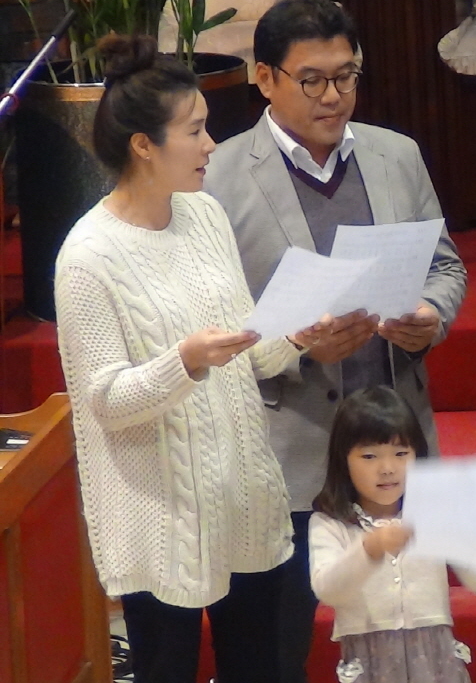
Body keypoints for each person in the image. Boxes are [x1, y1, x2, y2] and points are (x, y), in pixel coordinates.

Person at [203, 0, 467, 683]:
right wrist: (295, 346)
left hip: (393, 447)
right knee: (271, 654)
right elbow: (207, 320)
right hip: (283, 451)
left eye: (347, 76)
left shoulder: (396, 155)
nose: (334, 95)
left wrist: (430, 317)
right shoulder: (217, 177)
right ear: (266, 79)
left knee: (408, 645)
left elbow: (445, 266)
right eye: (313, 80)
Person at [54, 34, 322, 683]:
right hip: (160, 519)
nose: (211, 146)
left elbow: (244, 347)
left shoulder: (204, 215)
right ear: (143, 146)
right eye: (196, 131)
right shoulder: (88, 256)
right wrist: (186, 362)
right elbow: (104, 400)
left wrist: (297, 335)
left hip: (243, 499)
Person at [308, 385, 476, 683]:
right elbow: (328, 590)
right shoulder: (330, 523)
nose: (387, 468)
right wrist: (369, 549)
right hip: (372, 665)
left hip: (436, 663)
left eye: (401, 453)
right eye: (369, 456)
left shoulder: (433, 513)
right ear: (343, 460)